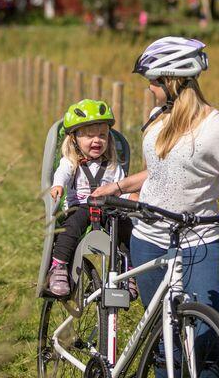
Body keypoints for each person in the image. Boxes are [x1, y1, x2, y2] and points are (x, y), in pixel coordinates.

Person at [92, 36, 219, 314]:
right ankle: (161, 360)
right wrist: (119, 186)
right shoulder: (157, 118)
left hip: (199, 243)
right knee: (161, 332)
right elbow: (161, 172)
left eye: (152, 81)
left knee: (202, 335)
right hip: (148, 238)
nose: (149, 88)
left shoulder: (218, 130)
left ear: (170, 81)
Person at [48, 99, 137, 299]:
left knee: (123, 226)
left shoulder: (114, 166)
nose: (97, 140)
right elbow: (62, 173)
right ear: (74, 140)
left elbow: (121, 188)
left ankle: (127, 269)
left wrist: (132, 197)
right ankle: (59, 266)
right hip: (79, 206)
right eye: (89, 136)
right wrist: (58, 185)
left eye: (102, 135)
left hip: (107, 208)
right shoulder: (71, 161)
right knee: (72, 227)